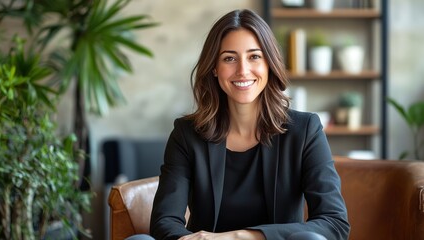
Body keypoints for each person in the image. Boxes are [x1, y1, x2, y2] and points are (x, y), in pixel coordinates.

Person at [127, 8, 350, 240]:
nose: (243, 70)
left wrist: (239, 237)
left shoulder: (305, 130)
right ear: (214, 68)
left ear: (269, 64)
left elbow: (334, 223)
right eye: (229, 58)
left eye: (254, 56)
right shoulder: (187, 134)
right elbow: (165, 221)